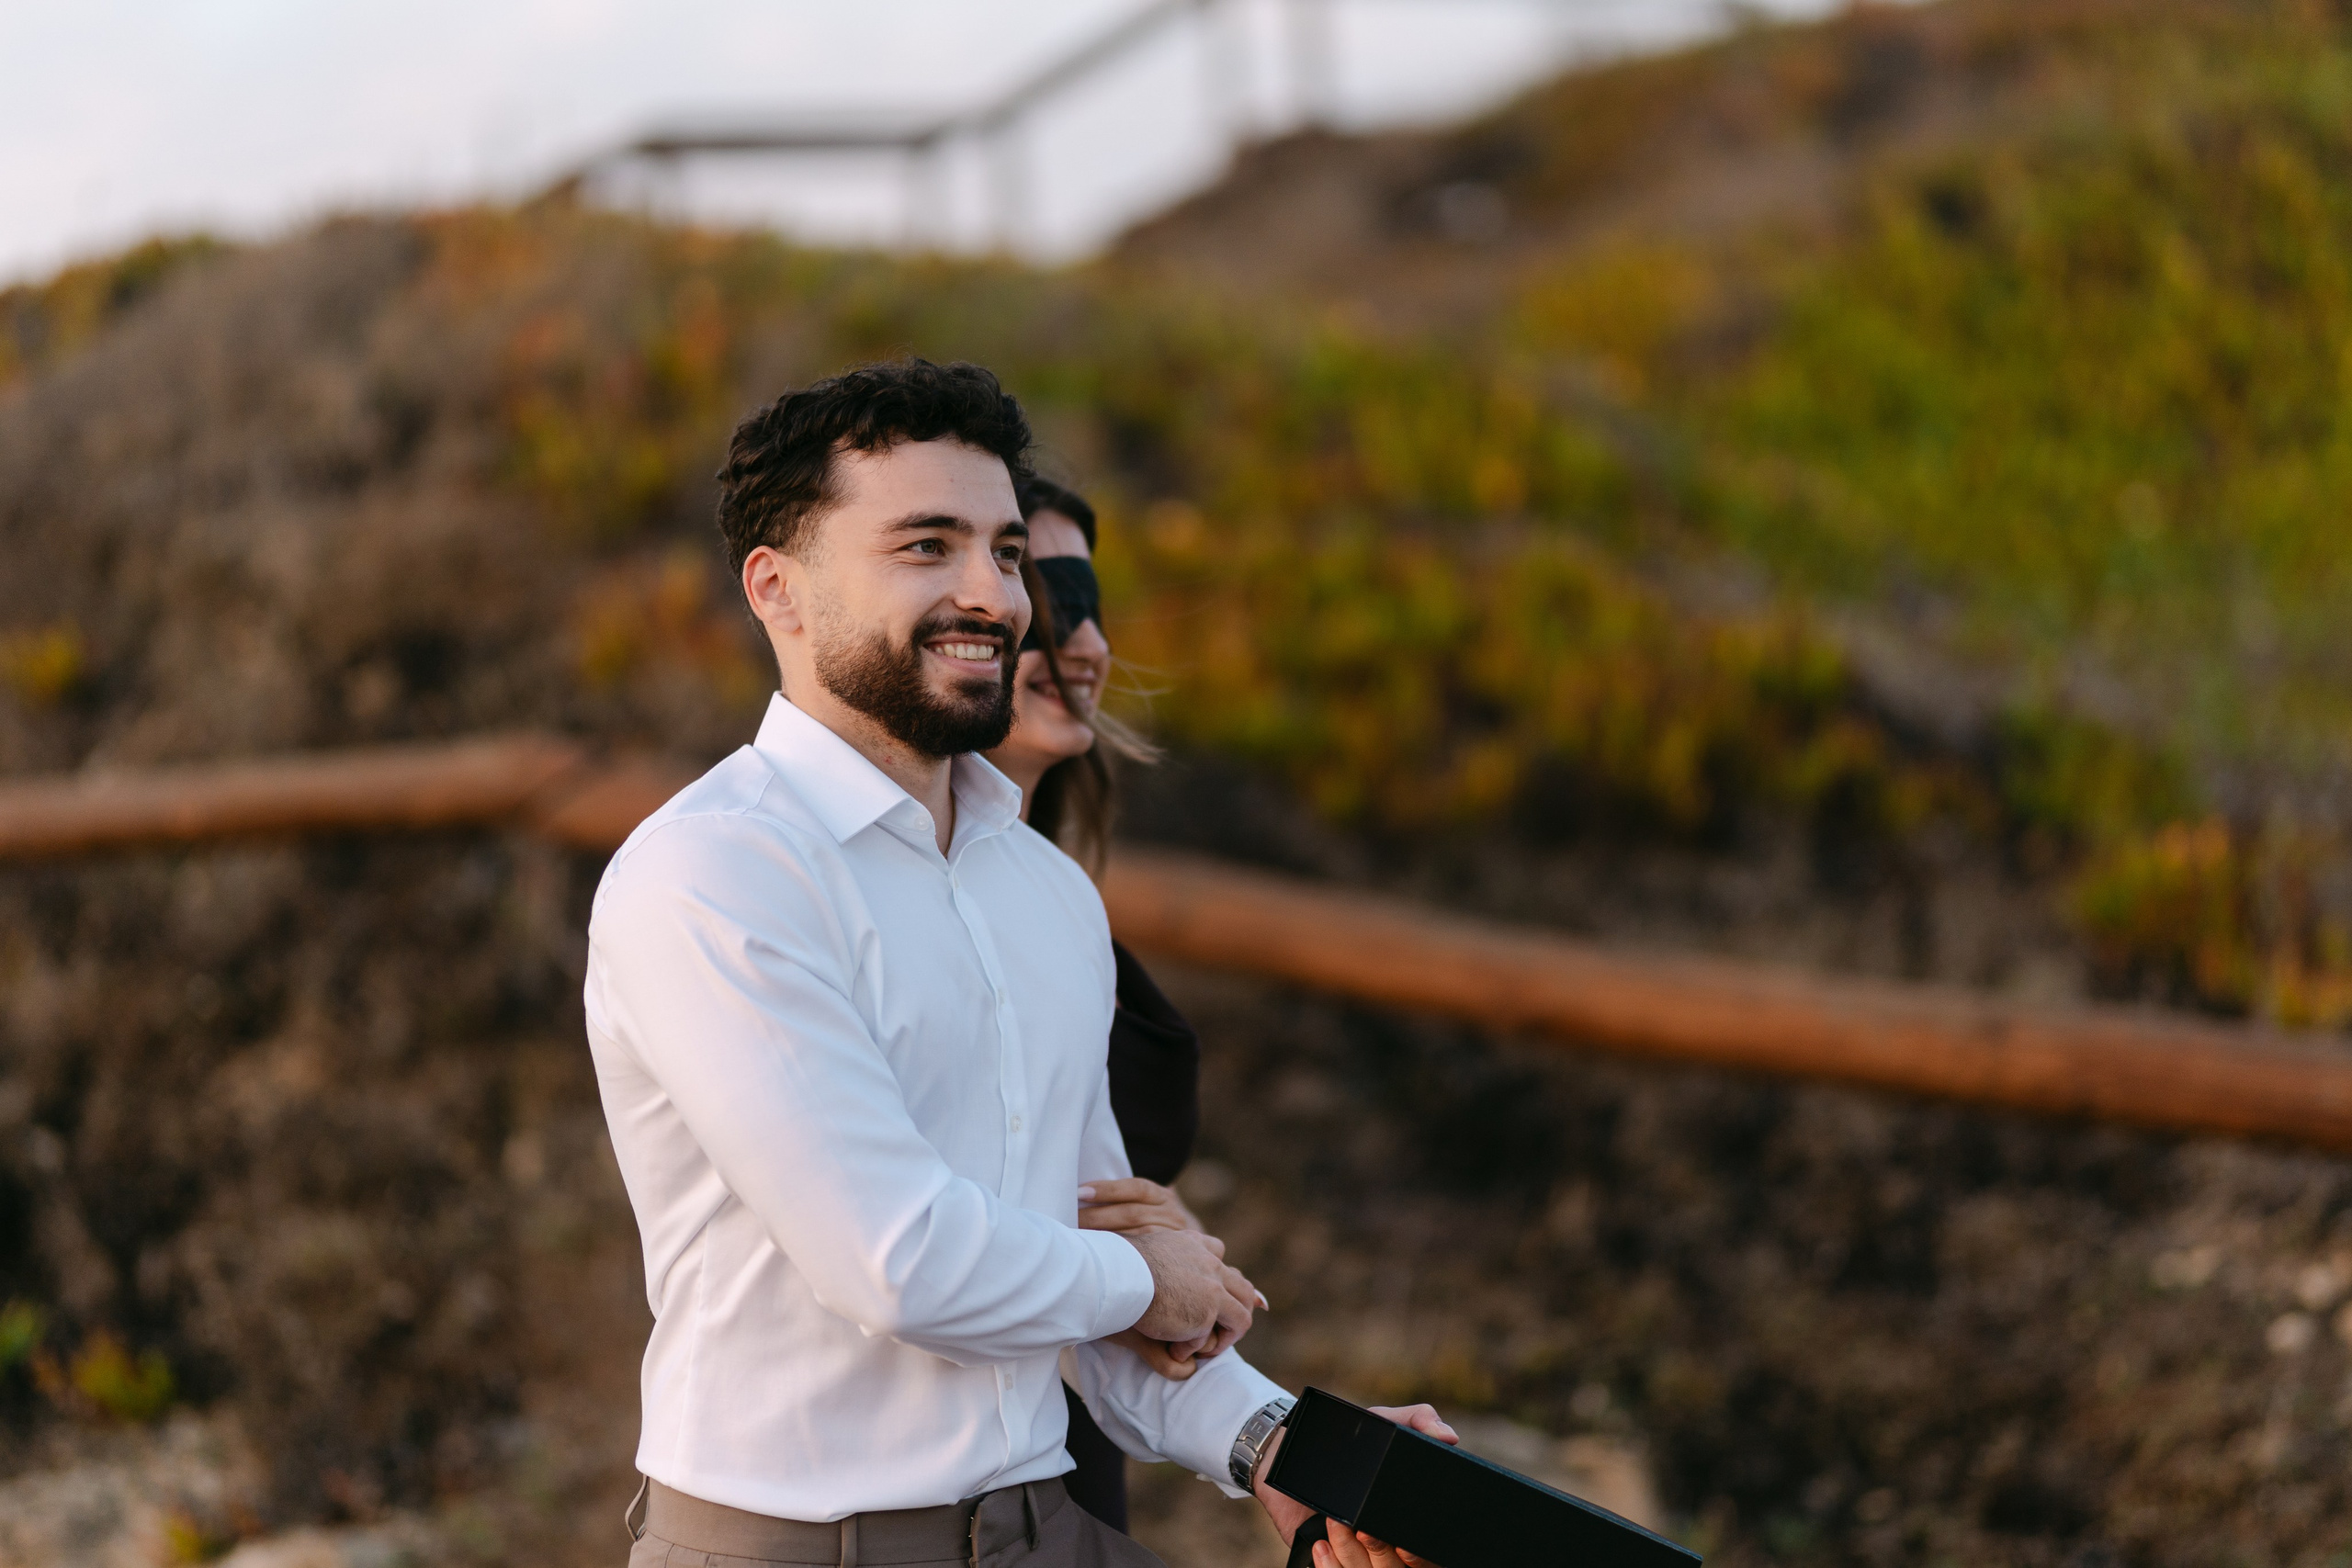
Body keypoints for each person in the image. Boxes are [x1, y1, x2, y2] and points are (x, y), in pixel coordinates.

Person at [586, 357, 1453, 1568]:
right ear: (776, 588)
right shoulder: (714, 874)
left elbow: (1092, 1287)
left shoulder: (1044, 891)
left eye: (1002, 550)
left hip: (1047, 1527)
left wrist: (1289, 1446)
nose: (990, 593)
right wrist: (1139, 1274)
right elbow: (899, 1260)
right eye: (926, 547)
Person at [980, 476, 1209, 1535]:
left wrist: (1263, 1437)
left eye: (1089, 605)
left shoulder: (1059, 900)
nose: (1079, 644)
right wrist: (1132, 1269)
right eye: (1043, 596)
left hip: (1064, 1444)